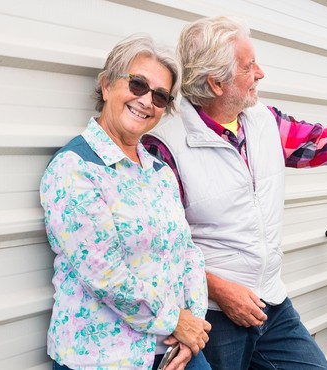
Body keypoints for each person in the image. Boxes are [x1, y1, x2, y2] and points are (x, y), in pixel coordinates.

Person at [142, 16, 327, 370]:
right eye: (248, 66)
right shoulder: (165, 146)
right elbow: (160, 249)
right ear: (216, 82)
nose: (260, 73)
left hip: (271, 302)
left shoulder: (261, 120)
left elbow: (323, 143)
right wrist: (220, 291)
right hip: (214, 316)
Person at [40, 34, 212, 370]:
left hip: (175, 351)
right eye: (137, 85)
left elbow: (188, 251)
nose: (147, 100)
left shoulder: (159, 172)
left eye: (160, 96)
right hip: (105, 357)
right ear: (106, 86)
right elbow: (104, 274)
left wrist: (193, 325)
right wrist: (177, 322)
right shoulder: (74, 168)